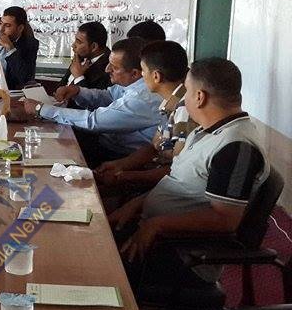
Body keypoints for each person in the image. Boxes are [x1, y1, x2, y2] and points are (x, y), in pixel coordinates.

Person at [108, 58, 269, 283]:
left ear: (199, 97)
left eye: (187, 90)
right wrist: (137, 203)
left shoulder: (236, 146)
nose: (183, 98)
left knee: (89, 262)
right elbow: (179, 180)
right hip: (154, 230)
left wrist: (156, 224)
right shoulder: (204, 131)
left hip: (181, 253)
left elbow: (224, 220)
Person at [22, 38, 164, 167]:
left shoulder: (142, 98)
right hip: (105, 145)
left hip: (122, 156)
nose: (107, 69)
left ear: (135, 73)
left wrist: (41, 109)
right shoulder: (134, 83)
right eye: (109, 63)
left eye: (114, 67)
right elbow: (108, 96)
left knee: (47, 153)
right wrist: (78, 91)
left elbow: (93, 121)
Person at [95, 41, 196, 194]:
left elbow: (176, 168)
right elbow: (154, 147)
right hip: (150, 175)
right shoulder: (169, 102)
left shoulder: (185, 110)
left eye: (143, 71)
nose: (140, 76)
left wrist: (126, 176)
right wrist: (121, 165)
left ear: (156, 76)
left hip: (167, 188)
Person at [57, 21, 111, 91]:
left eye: (78, 42)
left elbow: (95, 97)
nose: (73, 45)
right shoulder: (80, 57)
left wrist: (79, 77)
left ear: (94, 47)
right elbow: (62, 85)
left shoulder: (110, 67)